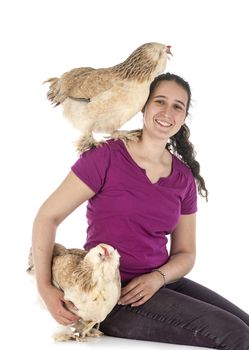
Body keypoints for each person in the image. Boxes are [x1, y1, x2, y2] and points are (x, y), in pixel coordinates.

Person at [32, 73, 249, 349]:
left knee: (247, 327)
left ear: (183, 118)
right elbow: (47, 217)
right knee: (237, 335)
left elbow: (185, 253)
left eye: (177, 106)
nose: (167, 112)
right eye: (160, 101)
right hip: (112, 296)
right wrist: (45, 287)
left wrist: (157, 278)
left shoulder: (183, 178)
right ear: (144, 106)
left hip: (159, 284)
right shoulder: (106, 157)